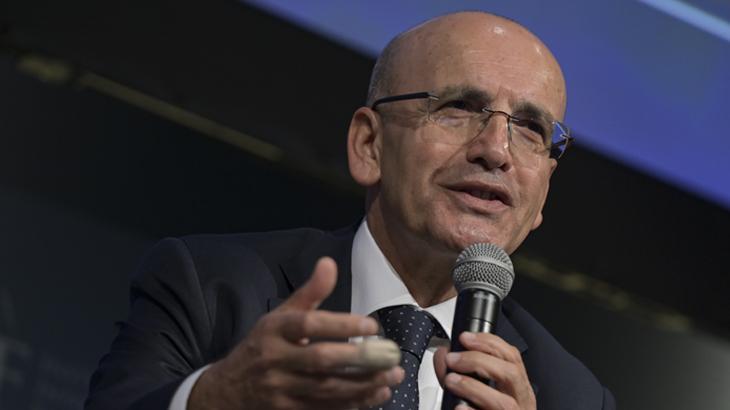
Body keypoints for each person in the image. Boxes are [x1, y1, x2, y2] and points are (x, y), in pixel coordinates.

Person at [86, 11, 615, 410]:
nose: (496, 150)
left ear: (543, 193)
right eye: (459, 108)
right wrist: (217, 399)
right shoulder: (211, 286)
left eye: (531, 129)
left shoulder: (571, 397)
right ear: (369, 145)